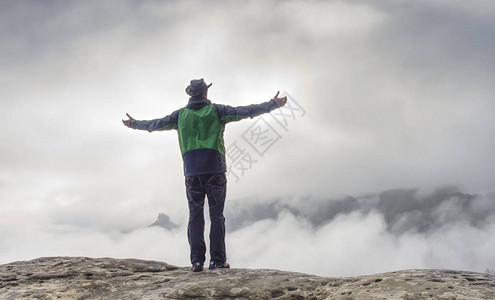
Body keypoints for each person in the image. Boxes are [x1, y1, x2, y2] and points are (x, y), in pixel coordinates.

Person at [122, 78, 287, 272]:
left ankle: (197, 262)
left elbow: (155, 124)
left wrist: (133, 123)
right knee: (216, 216)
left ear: (191, 94)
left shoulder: (180, 115)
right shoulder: (217, 111)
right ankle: (217, 261)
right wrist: (271, 105)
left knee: (195, 216)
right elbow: (245, 111)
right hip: (215, 170)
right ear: (205, 93)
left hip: (192, 173)